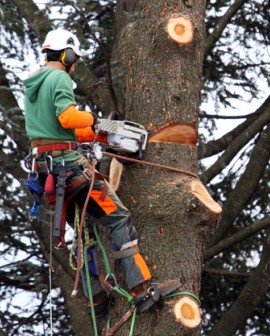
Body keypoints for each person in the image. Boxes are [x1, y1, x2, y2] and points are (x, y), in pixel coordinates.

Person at [22, 29, 179, 318]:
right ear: (66, 54)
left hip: (48, 172)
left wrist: (95, 131)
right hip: (70, 169)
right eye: (74, 59)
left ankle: (95, 297)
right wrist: (94, 119)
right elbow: (68, 116)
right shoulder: (59, 77)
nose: (75, 64)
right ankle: (141, 290)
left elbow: (61, 129)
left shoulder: (35, 84)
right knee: (118, 219)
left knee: (86, 231)